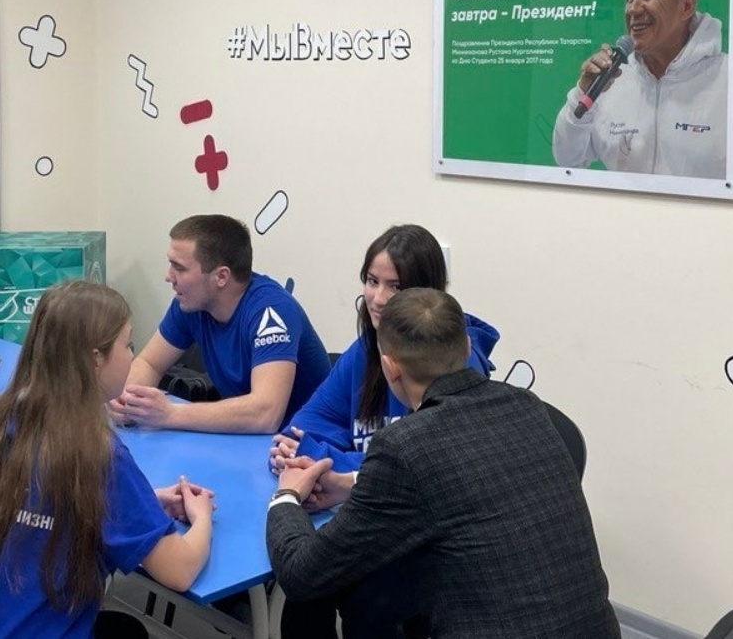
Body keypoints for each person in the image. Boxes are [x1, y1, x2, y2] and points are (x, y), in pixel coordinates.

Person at [268, 288, 622, 639]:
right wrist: (350, 486)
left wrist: (287, 496)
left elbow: (302, 575)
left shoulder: (404, 445)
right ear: (466, 347)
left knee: (343, 593)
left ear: (390, 368)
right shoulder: (526, 405)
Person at [0, 281, 214, 639]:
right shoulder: (96, 454)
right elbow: (179, 571)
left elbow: (37, 499)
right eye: (127, 344)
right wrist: (202, 517)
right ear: (95, 359)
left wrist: (146, 501)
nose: (131, 355)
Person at [268, 223, 499, 496]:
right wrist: (307, 460)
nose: (378, 299)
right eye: (372, 281)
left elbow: (428, 468)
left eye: (395, 286)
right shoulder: (364, 349)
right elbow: (302, 429)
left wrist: (325, 461)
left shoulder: (455, 362)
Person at [111, 214, 330, 434]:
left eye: (180, 268)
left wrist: (170, 414)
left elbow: (266, 414)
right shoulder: (190, 303)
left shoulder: (271, 310)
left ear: (221, 277)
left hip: (308, 443)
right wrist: (126, 399)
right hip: (248, 441)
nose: (168, 277)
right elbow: (150, 363)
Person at [552, 0, 728, 179]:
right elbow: (567, 158)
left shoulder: (731, 81)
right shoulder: (611, 81)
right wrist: (582, 94)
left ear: (686, 5)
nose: (633, 9)